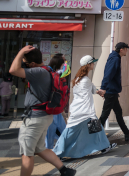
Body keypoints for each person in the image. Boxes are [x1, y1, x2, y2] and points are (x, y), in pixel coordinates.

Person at [8, 46, 76, 176]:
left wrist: (21, 51)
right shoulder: (48, 70)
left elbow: (13, 70)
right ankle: (65, 170)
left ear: (32, 64)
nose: (25, 66)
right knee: (40, 149)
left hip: (34, 119)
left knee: (27, 153)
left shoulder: (38, 72)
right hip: (44, 116)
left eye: (26, 64)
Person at [53, 56, 116, 159]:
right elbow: (88, 94)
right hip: (84, 111)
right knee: (70, 132)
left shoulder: (78, 78)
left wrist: (98, 92)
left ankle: (105, 147)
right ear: (88, 65)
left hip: (78, 110)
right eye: (93, 63)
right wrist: (92, 112)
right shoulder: (85, 79)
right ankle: (57, 153)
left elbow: (91, 89)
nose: (94, 64)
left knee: (93, 129)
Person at [99, 42, 129, 142]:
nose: (127, 51)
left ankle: (127, 133)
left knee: (118, 112)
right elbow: (108, 73)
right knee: (104, 116)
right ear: (121, 49)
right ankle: (95, 138)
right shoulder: (115, 58)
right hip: (110, 91)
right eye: (126, 49)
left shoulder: (115, 57)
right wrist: (103, 87)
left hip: (112, 91)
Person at [45, 54, 68, 150]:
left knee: (62, 131)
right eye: (63, 62)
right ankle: (51, 151)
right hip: (51, 107)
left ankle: (59, 150)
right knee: (51, 132)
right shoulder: (49, 74)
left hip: (57, 107)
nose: (65, 64)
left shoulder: (58, 75)